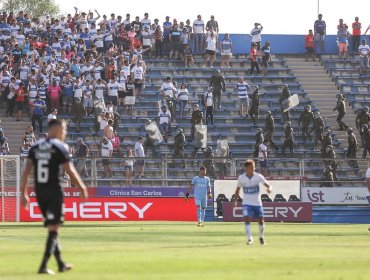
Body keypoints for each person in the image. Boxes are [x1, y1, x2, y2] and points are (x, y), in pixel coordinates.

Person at [20, 119, 88, 274]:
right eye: (64, 129)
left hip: (40, 193)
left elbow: (26, 172)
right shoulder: (60, 146)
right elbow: (70, 170)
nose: (65, 133)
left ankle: (60, 264)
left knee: (52, 227)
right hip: (54, 192)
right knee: (54, 229)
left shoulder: (35, 147)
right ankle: (43, 265)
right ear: (56, 129)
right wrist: (82, 187)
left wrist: (23, 193)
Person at [233, 159, 272, 245]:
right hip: (246, 203)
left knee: (261, 220)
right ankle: (250, 238)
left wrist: (269, 189)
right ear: (246, 168)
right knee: (247, 219)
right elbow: (237, 190)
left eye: (254, 167)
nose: (253, 169)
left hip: (257, 203)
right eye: (251, 167)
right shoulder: (241, 178)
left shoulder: (258, 176)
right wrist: (235, 201)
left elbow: (268, 185)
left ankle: (261, 237)